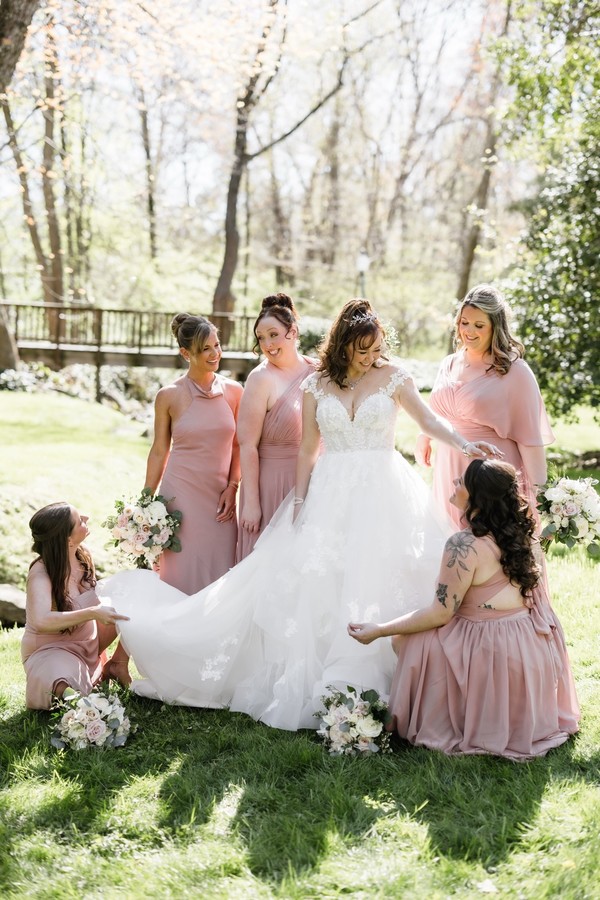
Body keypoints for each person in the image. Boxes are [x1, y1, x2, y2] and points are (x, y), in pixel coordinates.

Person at [99, 299, 500, 731]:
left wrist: (464, 444)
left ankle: (391, 669)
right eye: (361, 350)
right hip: (330, 488)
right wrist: (300, 502)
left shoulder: (394, 377)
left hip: (382, 490)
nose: (369, 358)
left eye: (375, 349)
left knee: (378, 573)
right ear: (343, 345)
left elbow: (428, 421)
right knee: (317, 580)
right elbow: (308, 449)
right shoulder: (317, 384)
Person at [348, 459, 580, 760]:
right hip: (528, 644)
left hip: (492, 646)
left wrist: (379, 630)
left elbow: (440, 613)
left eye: (461, 481)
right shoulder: (526, 535)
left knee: (407, 640)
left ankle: (449, 715)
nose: (455, 482)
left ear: (477, 498)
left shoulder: (464, 545)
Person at [416, 284, 554, 528]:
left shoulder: (514, 371)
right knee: (448, 542)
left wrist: (541, 500)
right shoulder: (449, 363)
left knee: (489, 543)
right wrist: (424, 436)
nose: (469, 331)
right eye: (464, 322)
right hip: (448, 467)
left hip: (489, 476)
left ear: (495, 327)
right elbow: (436, 411)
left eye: (479, 325)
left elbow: (530, 440)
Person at [144, 313, 243, 593]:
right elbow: (159, 450)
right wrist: (145, 501)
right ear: (186, 353)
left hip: (220, 499)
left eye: (216, 345)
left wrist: (233, 486)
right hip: (180, 497)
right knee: (180, 575)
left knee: (221, 572)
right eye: (205, 349)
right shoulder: (168, 395)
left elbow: (239, 444)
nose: (215, 354)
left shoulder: (235, 391)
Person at [21, 502, 130, 710]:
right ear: (68, 540)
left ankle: (118, 664)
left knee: (130, 604)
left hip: (89, 643)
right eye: (79, 520)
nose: (86, 518)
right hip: (52, 650)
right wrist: (92, 612)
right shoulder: (40, 574)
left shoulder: (83, 554)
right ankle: (78, 703)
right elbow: (42, 620)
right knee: (60, 682)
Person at [236, 293, 317, 561]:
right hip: (271, 484)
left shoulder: (318, 371)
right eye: (261, 338)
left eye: (273, 335)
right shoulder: (260, 379)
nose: (267, 344)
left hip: (314, 480)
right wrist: (252, 503)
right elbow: (247, 445)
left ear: (292, 332)